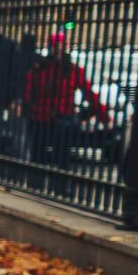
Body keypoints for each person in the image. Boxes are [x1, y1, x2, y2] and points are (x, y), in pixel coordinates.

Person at [24, 31, 107, 172]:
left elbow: (88, 93)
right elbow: (29, 89)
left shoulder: (72, 69)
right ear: (51, 47)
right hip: (41, 117)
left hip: (63, 117)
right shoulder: (41, 68)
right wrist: (26, 107)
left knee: (62, 156)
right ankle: (36, 183)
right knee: (38, 154)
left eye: (63, 46)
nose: (60, 49)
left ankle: (60, 187)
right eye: (57, 45)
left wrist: (102, 114)